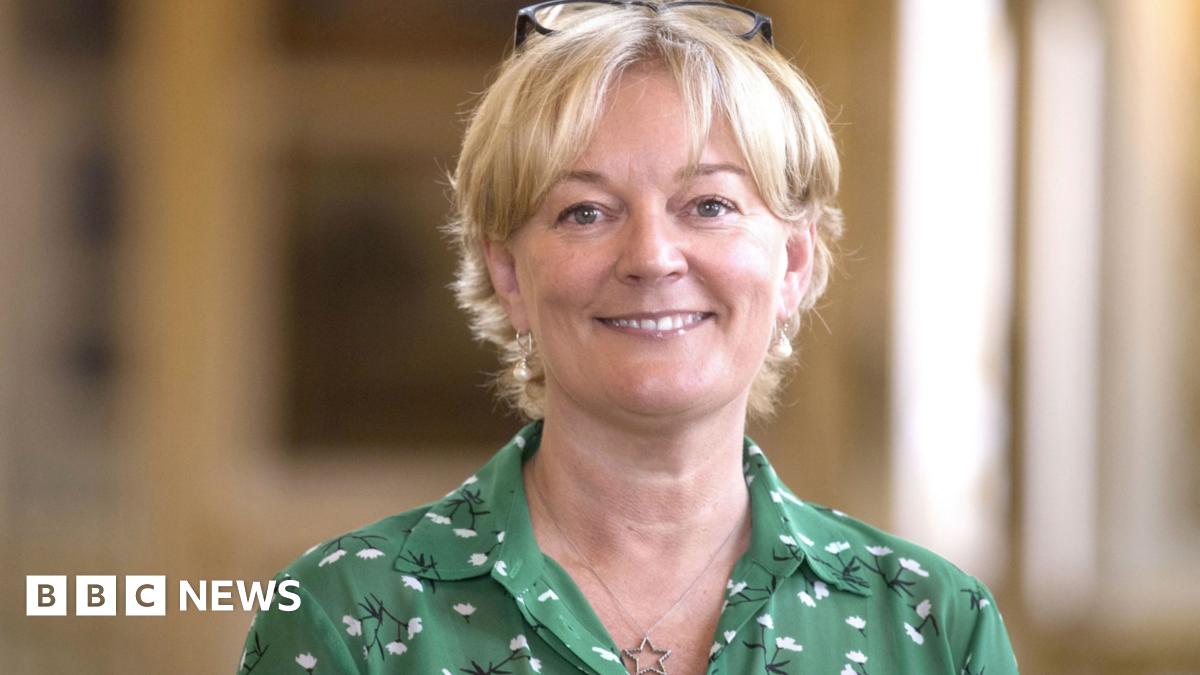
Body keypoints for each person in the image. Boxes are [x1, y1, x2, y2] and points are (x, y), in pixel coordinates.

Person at [237, 2, 1019, 674]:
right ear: (508, 274)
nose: (651, 257)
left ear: (794, 261)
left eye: (709, 204)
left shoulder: (933, 626)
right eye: (586, 211)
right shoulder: (347, 620)